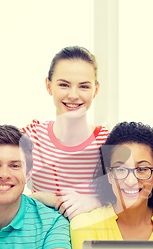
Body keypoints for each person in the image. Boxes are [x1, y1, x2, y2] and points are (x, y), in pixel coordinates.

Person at [22, 46, 109, 219]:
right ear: (49, 86)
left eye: (84, 87)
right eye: (64, 85)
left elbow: (133, 199)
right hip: (41, 241)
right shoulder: (30, 137)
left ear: (96, 90)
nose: (73, 95)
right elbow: (0, 193)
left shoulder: (109, 143)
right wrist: (41, 198)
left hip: (90, 240)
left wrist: (95, 201)